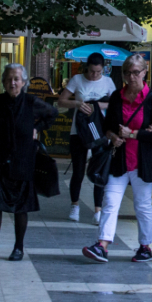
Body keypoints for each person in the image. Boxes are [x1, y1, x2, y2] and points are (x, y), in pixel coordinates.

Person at [83, 54, 152, 263]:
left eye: (136, 72)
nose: (131, 77)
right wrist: (112, 136)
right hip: (118, 158)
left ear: (145, 72)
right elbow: (107, 126)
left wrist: (133, 134)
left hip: (142, 161)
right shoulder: (117, 97)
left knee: (143, 205)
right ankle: (102, 245)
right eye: (127, 73)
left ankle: (145, 246)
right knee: (110, 202)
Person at [0, 63, 56, 262]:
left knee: (21, 207)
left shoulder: (31, 101)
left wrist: (37, 128)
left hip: (23, 160)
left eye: (16, 79)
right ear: (3, 82)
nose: (12, 83)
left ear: (23, 82)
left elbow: (52, 114)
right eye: (8, 79)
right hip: (0, 160)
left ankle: (18, 248)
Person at [58, 53, 116, 224]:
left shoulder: (108, 82)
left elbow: (115, 104)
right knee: (78, 170)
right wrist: (77, 104)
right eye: (91, 71)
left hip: (100, 130)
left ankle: (98, 209)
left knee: (99, 170)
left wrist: (96, 106)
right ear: (86, 68)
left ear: (103, 69)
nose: (94, 75)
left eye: (98, 72)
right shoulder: (77, 80)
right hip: (79, 130)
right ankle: (74, 205)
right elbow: (61, 101)